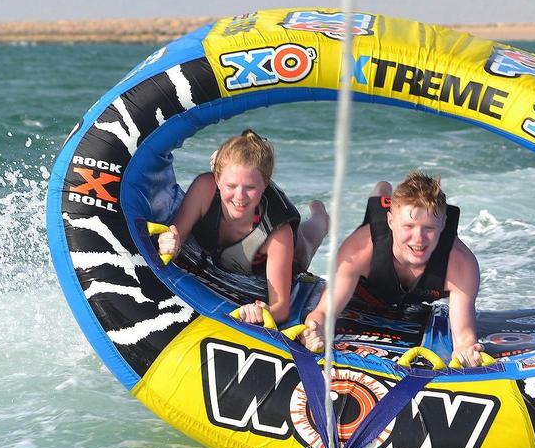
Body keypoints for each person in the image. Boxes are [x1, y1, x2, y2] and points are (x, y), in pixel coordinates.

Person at [300, 171, 483, 367]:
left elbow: (464, 335)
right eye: (408, 226)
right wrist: (313, 331)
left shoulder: (461, 265)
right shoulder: (359, 251)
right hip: (373, 265)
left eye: (428, 228)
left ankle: (386, 195)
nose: (418, 239)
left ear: (443, 224)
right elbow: (324, 312)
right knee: (376, 205)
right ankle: (376, 193)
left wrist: (466, 349)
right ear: (391, 222)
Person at [158, 129, 329, 325]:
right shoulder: (204, 188)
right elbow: (176, 234)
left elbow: (281, 309)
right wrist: (170, 240)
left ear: (265, 185)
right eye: (231, 186)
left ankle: (320, 216)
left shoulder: (278, 234)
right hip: (238, 187)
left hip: (277, 244)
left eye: (249, 188)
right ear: (217, 180)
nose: (239, 196)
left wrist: (261, 312)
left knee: (307, 243)